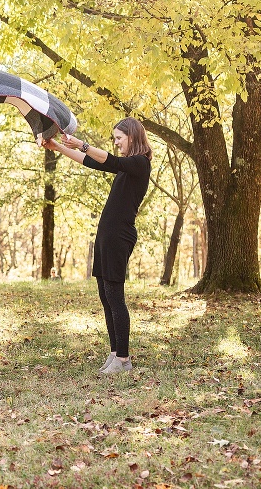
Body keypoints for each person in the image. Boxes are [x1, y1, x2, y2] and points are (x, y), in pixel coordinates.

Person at [42, 117, 152, 374]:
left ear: (133, 137)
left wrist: (82, 144)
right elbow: (92, 162)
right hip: (107, 236)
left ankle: (124, 360)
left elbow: (107, 160)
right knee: (105, 296)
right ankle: (115, 353)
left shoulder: (139, 163)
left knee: (115, 297)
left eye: (119, 138)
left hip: (119, 236)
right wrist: (59, 148)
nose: (116, 143)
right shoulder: (127, 167)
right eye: (114, 139)